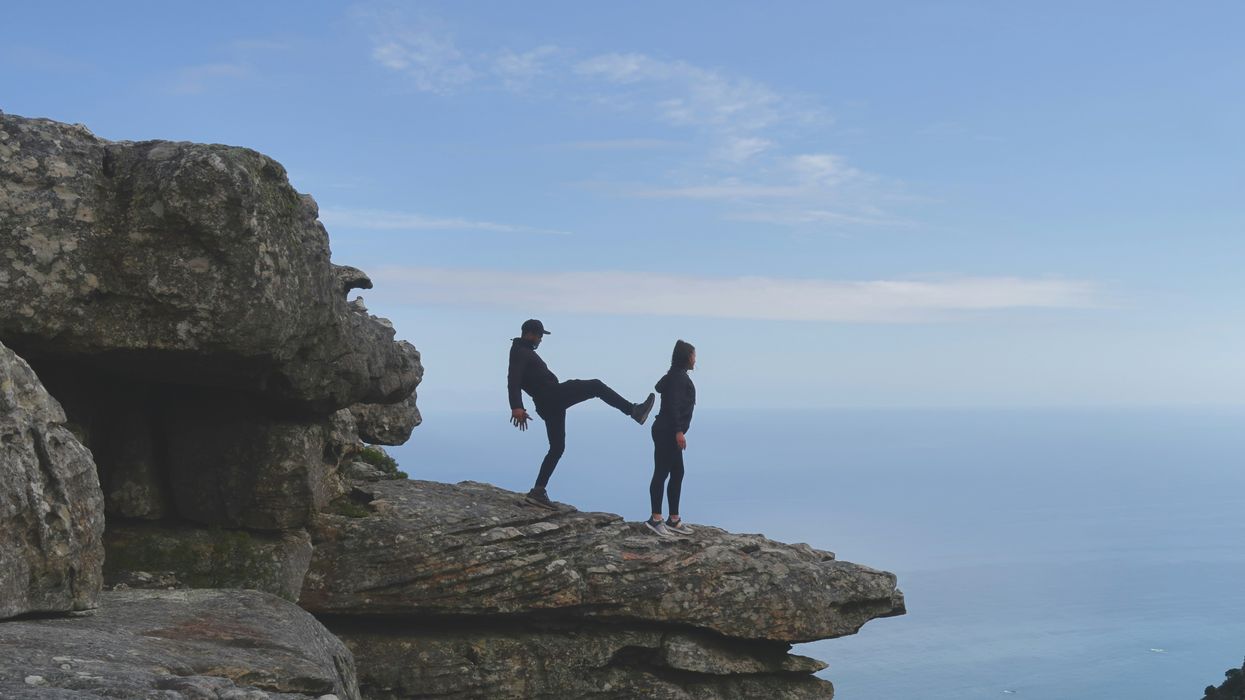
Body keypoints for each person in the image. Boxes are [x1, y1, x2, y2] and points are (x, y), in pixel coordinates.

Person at [508, 319, 655, 509]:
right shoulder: (520, 352)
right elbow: (513, 379)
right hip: (552, 397)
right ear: (530, 334)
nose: (541, 340)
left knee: (557, 447)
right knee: (596, 386)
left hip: (548, 404)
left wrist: (518, 405)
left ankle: (538, 491)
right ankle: (634, 411)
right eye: (540, 335)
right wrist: (516, 406)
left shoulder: (522, 351)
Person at [644, 340, 696, 536]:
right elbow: (674, 405)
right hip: (668, 432)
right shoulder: (678, 379)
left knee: (677, 472)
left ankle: (673, 519)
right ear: (686, 357)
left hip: (666, 430)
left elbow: (660, 387)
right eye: (693, 355)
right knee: (662, 473)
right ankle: (655, 519)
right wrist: (678, 431)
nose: (695, 359)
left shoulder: (674, 376)